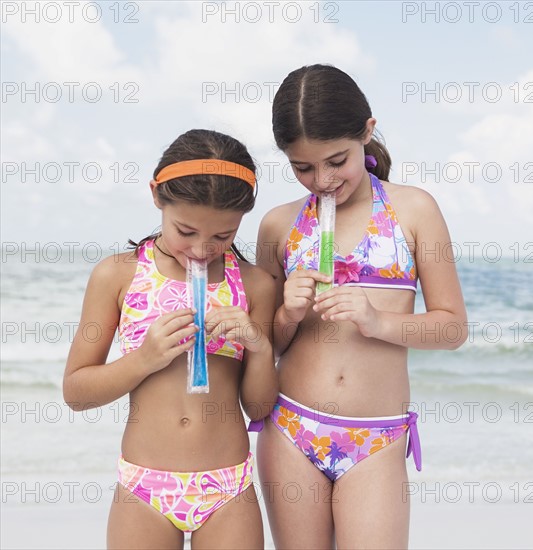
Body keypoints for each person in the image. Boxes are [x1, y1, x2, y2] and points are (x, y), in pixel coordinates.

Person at [254, 64, 467, 549]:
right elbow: (264, 344)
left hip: (376, 438)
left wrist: (379, 321)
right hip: (291, 429)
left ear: (367, 132)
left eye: (337, 161)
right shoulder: (277, 225)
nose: (323, 179)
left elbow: (452, 328)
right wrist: (286, 314)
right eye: (302, 168)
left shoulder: (413, 211)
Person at [63, 129, 278, 549]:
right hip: (144, 487)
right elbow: (76, 391)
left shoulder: (255, 285)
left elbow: (258, 406)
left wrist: (259, 346)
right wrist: (144, 358)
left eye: (223, 236)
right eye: (186, 230)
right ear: (157, 195)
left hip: (227, 486)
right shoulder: (118, 275)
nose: (202, 249)